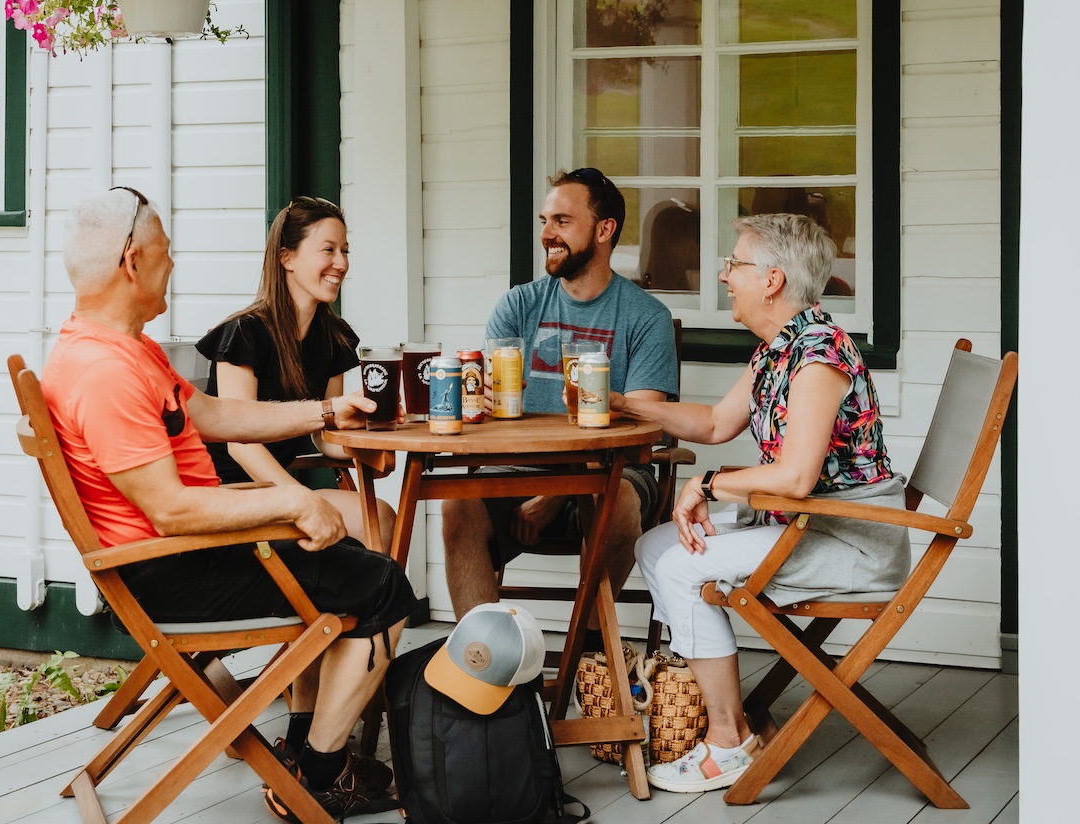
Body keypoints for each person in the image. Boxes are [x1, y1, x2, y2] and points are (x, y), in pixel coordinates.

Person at [40, 188, 415, 822]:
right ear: (132, 260)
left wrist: (324, 410)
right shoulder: (105, 374)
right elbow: (172, 513)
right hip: (176, 570)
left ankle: (301, 750)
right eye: (164, 251)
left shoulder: (127, 351)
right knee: (381, 586)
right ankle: (320, 776)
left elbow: (215, 414)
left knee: (348, 556)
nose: (172, 264)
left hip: (185, 557)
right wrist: (293, 504)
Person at [619, 213, 908, 794]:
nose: (725, 275)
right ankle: (732, 719)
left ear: (772, 279)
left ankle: (729, 742)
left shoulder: (819, 354)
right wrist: (625, 404)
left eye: (735, 263)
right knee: (656, 545)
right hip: (803, 524)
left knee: (680, 562)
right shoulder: (778, 349)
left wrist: (707, 486)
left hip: (847, 538)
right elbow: (714, 421)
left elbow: (797, 476)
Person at [197, 195, 398, 765]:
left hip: (285, 487)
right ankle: (317, 709)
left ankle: (311, 713)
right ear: (287, 258)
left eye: (345, 251)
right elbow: (238, 439)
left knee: (381, 523)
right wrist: (299, 498)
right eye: (327, 250)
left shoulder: (334, 337)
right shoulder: (245, 334)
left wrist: (370, 434)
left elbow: (325, 434)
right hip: (229, 496)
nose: (340, 262)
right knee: (350, 540)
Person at [440, 168, 679, 632]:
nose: (547, 233)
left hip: (612, 471)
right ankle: (486, 661)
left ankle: (586, 656)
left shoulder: (646, 317)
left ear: (604, 230)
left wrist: (556, 492)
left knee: (620, 503)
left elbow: (639, 430)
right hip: (517, 466)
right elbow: (488, 406)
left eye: (562, 221)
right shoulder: (518, 305)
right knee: (457, 506)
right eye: (544, 220)